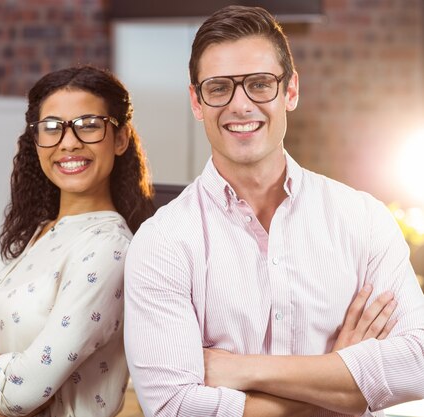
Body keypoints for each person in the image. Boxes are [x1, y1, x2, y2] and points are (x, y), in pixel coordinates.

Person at [124, 5, 424, 417]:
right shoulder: (162, 242)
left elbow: (418, 361)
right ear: (197, 101)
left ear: (291, 91)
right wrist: (338, 384)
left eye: (260, 84)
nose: (240, 105)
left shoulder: (362, 219)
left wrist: (243, 370)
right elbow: (175, 406)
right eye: (218, 88)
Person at [0, 65, 154, 417]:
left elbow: (22, 393)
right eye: (52, 128)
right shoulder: (33, 234)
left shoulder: (110, 248)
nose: (68, 142)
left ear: (120, 139)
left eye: (88, 125)